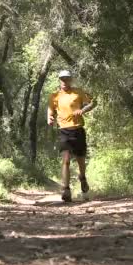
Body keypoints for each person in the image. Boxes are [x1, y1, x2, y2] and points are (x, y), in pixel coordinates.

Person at [47, 70, 97, 202]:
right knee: (66, 160)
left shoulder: (78, 92)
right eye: (62, 79)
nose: (64, 81)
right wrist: (50, 117)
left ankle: (83, 178)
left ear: (71, 80)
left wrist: (83, 110)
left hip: (78, 130)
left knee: (80, 160)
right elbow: (51, 109)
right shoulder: (54, 96)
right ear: (59, 80)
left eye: (67, 79)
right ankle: (66, 190)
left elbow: (93, 102)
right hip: (64, 131)